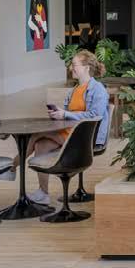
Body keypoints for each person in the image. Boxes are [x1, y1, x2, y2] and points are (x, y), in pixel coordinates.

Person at [24, 49, 110, 206]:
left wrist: (66, 114)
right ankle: (43, 193)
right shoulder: (74, 90)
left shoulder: (98, 90)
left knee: (36, 135)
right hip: (69, 133)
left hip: (82, 137)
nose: (71, 68)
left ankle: (12, 167)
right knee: (40, 145)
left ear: (86, 68)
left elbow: (95, 115)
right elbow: (68, 113)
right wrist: (59, 113)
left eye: (74, 64)